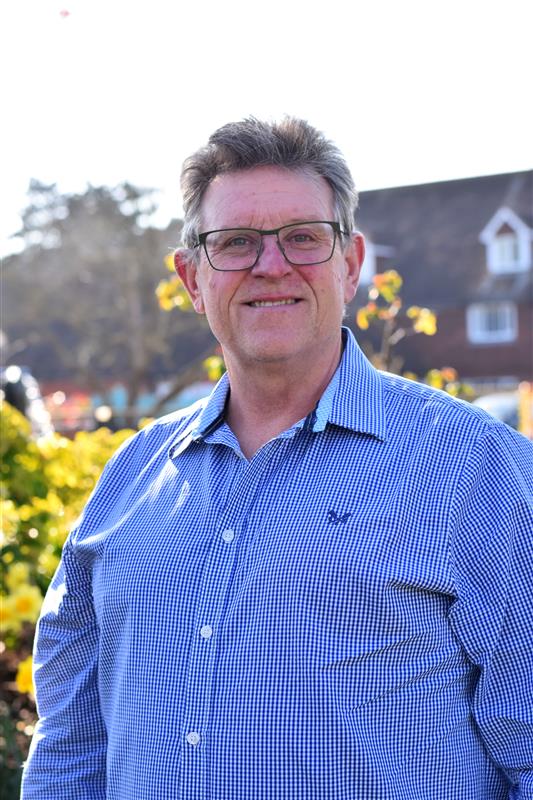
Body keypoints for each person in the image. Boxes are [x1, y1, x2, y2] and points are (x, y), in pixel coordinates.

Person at [22, 117, 533, 799]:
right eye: (234, 243)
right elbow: (70, 750)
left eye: (302, 238)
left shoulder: (474, 470)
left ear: (350, 264)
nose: (270, 266)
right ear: (191, 278)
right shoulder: (130, 480)